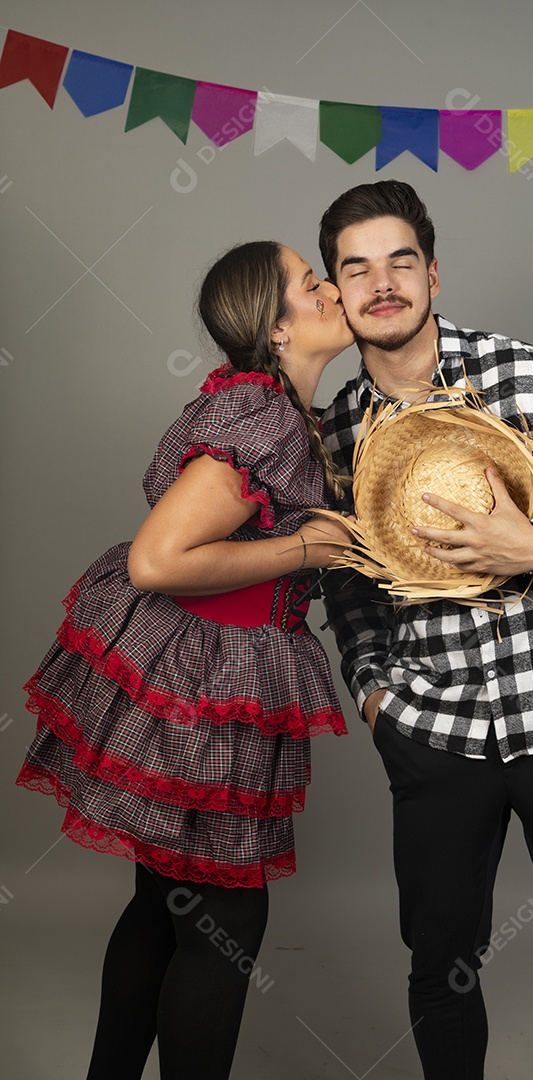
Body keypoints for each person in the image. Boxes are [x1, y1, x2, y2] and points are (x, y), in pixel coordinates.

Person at [319, 180, 533, 1080]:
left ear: (433, 274)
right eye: (356, 269)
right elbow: (349, 586)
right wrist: (373, 692)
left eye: (401, 260)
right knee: (440, 971)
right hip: (434, 738)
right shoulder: (334, 434)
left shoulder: (531, 375)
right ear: (337, 293)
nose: (382, 283)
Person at [16, 240, 354, 1080]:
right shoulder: (264, 416)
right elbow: (158, 562)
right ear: (275, 330)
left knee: (165, 905)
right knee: (225, 926)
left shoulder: (272, 409)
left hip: (198, 668)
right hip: (209, 679)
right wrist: (309, 546)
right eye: (312, 284)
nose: (333, 289)